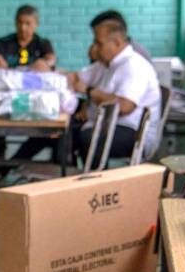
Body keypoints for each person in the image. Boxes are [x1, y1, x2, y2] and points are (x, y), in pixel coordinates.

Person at [69, 19, 162, 165]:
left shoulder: (134, 65)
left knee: (88, 137)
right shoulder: (108, 64)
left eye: (99, 43)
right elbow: (76, 77)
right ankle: (67, 179)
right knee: (65, 130)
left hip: (133, 131)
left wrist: (90, 92)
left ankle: (97, 183)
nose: (95, 48)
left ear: (117, 42)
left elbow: (124, 106)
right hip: (109, 123)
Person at [0, 4, 56, 162]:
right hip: (9, 92)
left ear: (36, 24)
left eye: (28, 23)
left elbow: (51, 59)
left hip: (34, 94)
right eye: (20, 23)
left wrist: (46, 63)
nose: (23, 27)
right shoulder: (4, 42)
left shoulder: (43, 43)